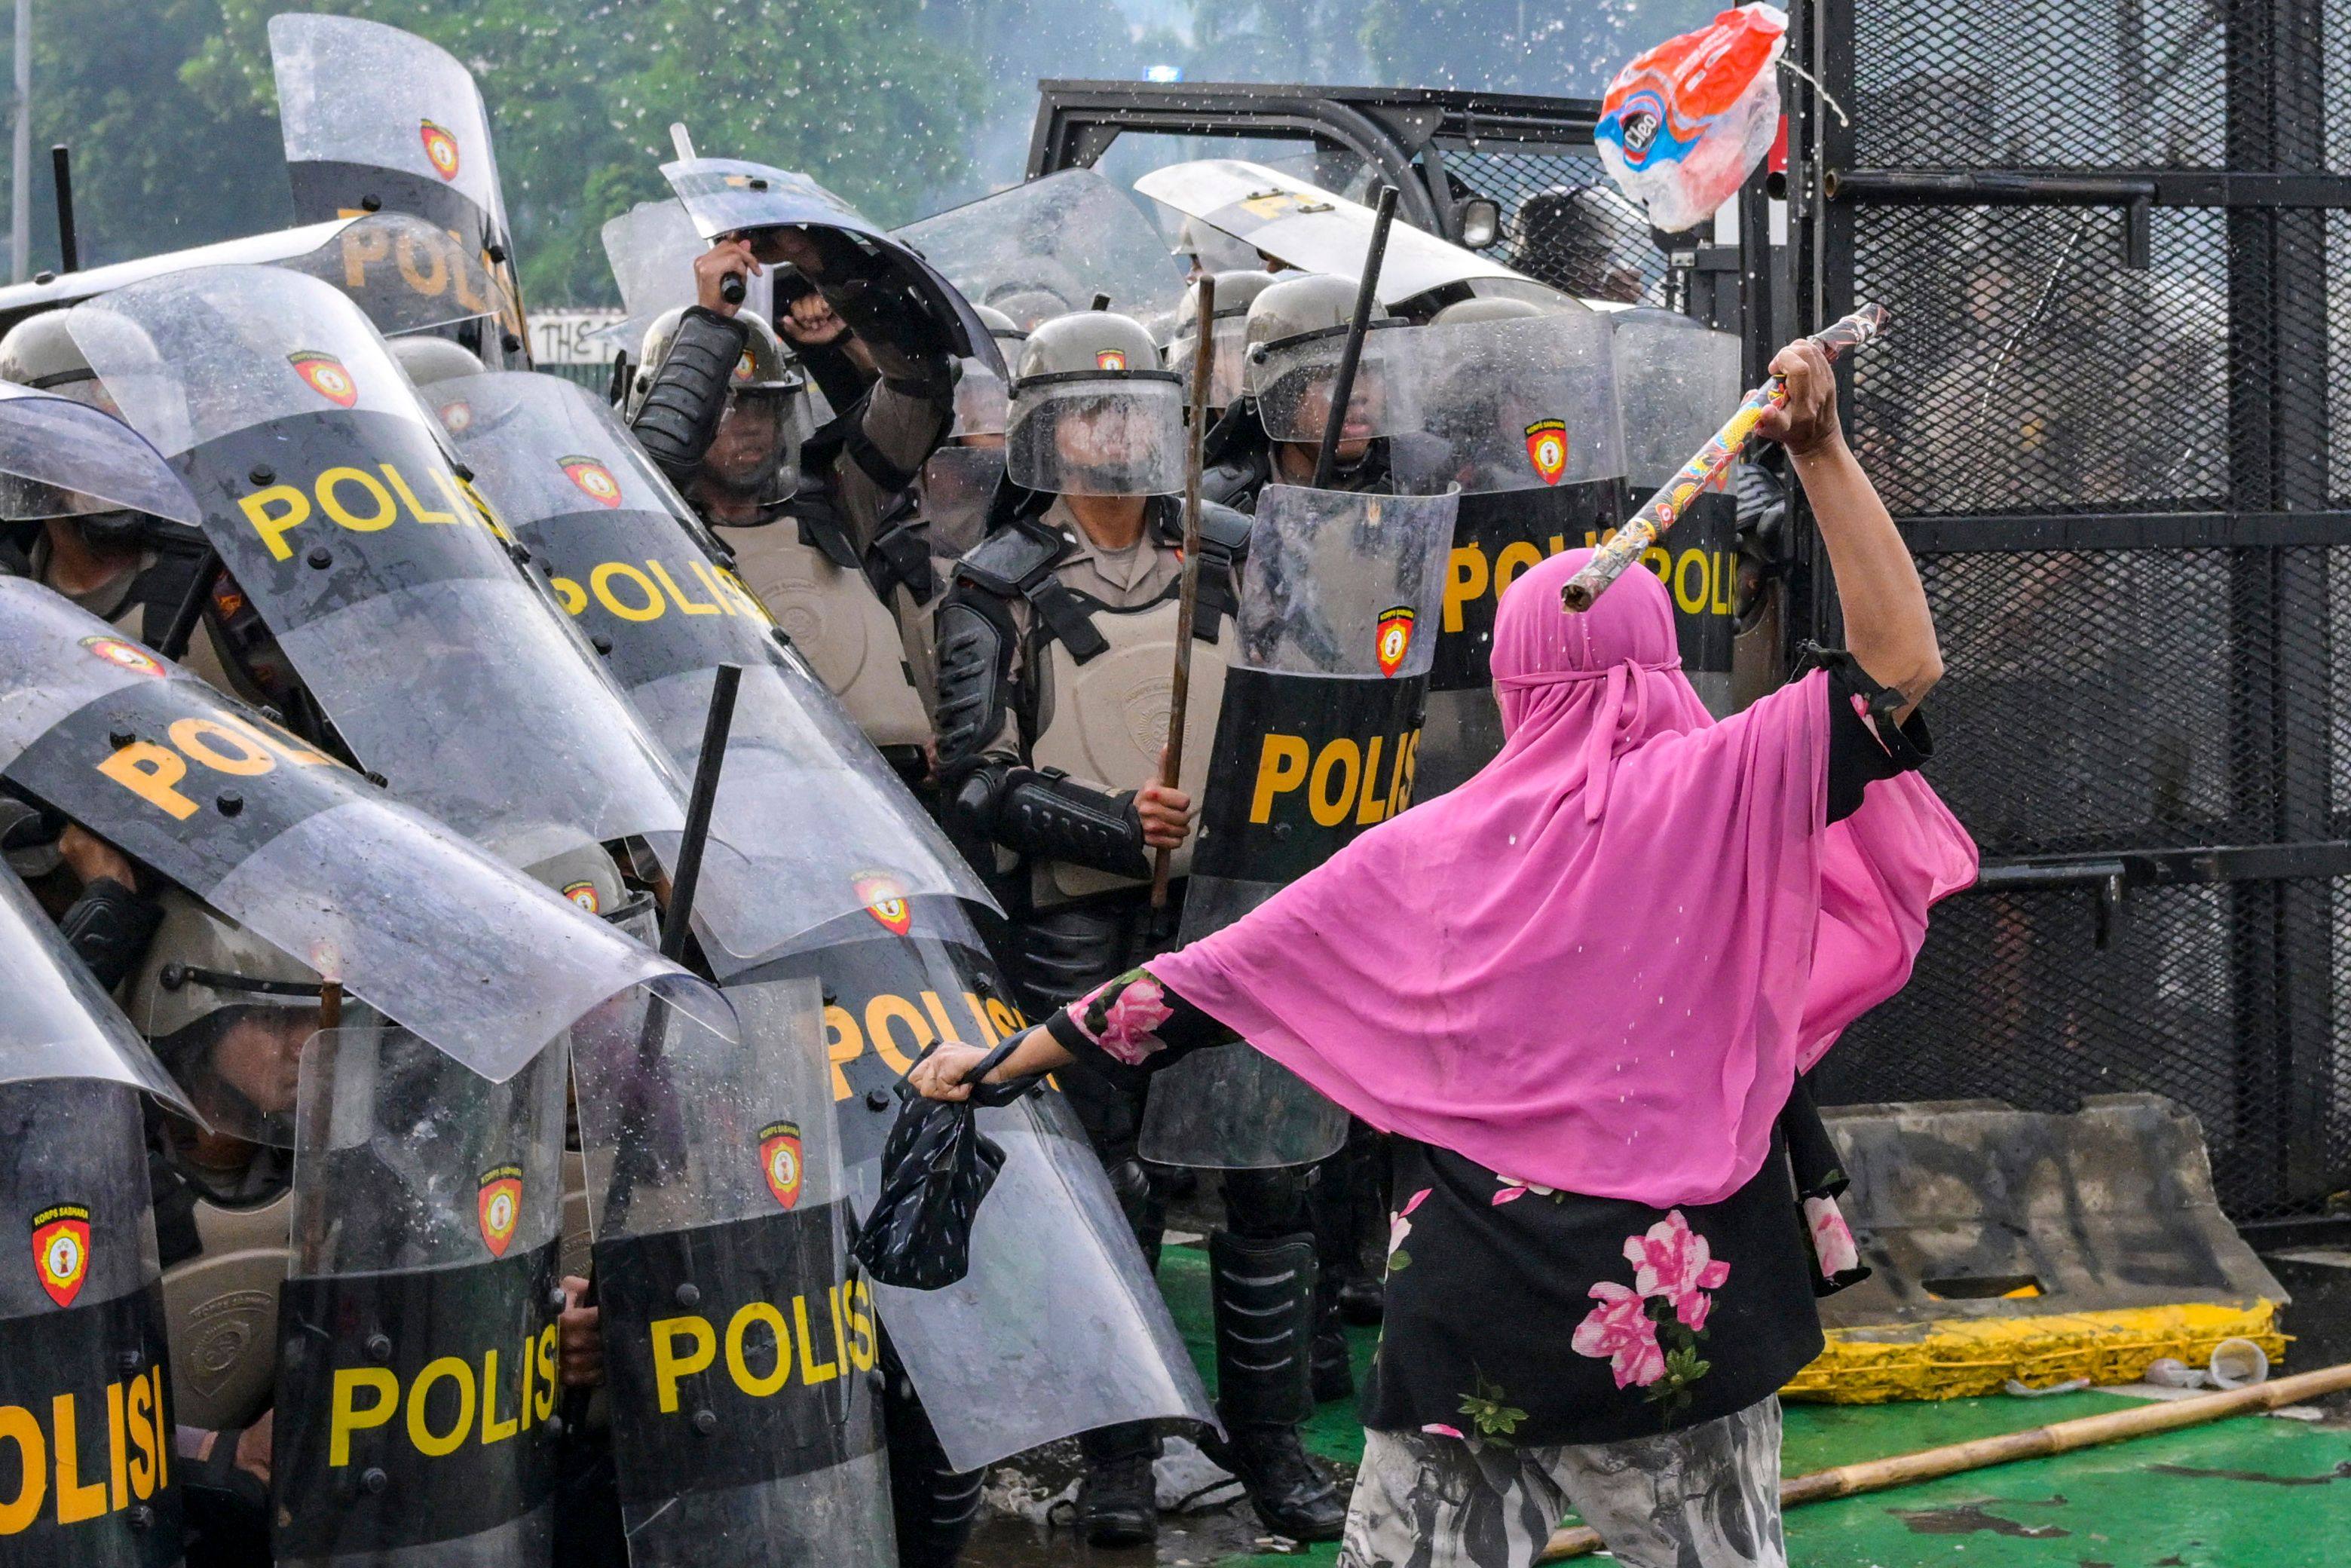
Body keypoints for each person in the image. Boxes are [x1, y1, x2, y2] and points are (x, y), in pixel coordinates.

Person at [914, 338, 1978, 1568]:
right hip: (1662, 1296)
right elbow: (1899, 665)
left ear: (1519, 677)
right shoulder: (1725, 786)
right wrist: (1820, 453)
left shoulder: (1424, 850)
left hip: (1467, 1293)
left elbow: (1189, 988)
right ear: (1655, 649)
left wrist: (994, 1065)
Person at [933, 306, 1348, 1548]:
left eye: (1141, 410)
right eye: (1095, 410)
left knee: (1270, 1179)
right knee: (1112, 1196)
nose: (1123, 432)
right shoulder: (994, 590)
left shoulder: (1243, 556)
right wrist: (1118, 825)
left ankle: (1271, 1449)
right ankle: (1120, 1454)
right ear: (1049, 432)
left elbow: (1318, 706)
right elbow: (970, 773)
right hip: (1082, 928)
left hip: (1241, 918)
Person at [629, 234, 958, 775]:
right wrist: (710, 319)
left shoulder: (835, 497)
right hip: (763, 801)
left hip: (902, 802)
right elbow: (649, 477)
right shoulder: (654, 537)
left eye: (762, 406)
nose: (751, 426)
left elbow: (919, 382)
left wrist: (820, 259)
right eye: (729, 408)